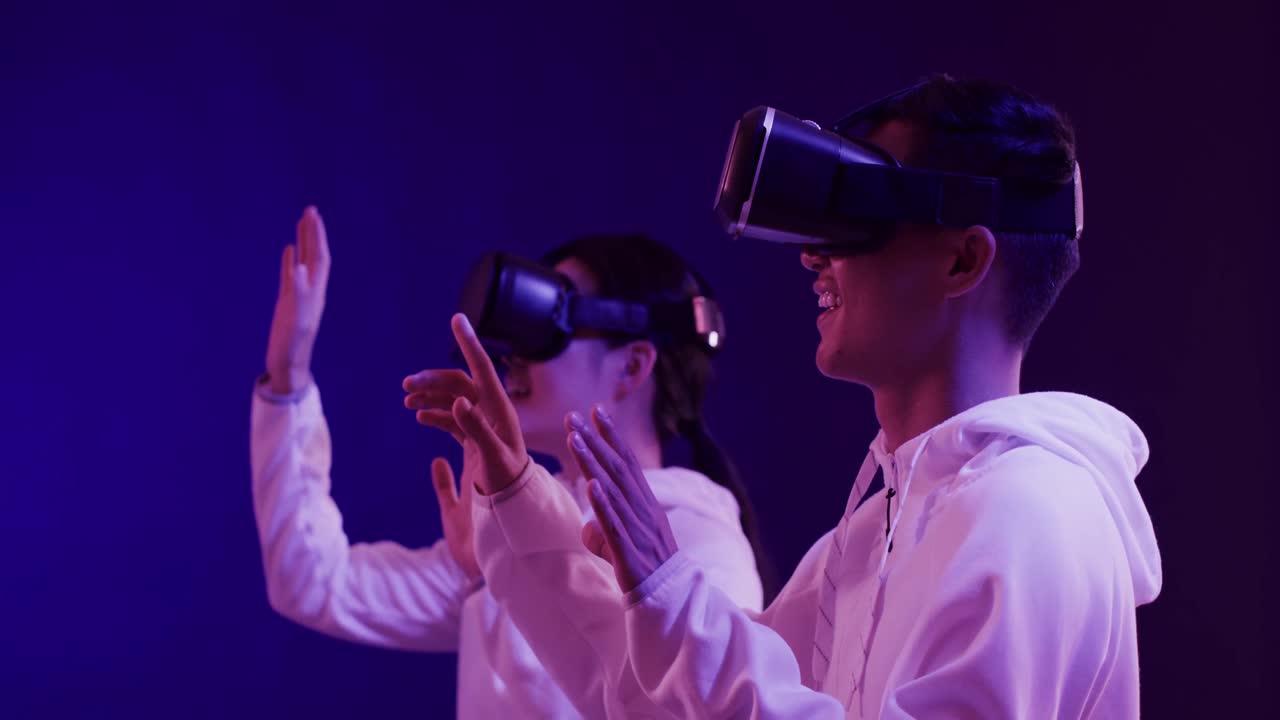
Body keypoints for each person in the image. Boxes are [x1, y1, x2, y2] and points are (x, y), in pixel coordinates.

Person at [423, 75, 1163, 718]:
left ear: (963, 259)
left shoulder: (1031, 514)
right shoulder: (875, 532)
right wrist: (518, 496)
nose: (814, 255)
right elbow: (658, 698)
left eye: (857, 221)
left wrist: (671, 588)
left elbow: (707, 677)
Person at [249, 209, 765, 718]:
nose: (515, 354)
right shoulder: (512, 529)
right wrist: (287, 383)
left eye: (548, 325)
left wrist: (495, 567)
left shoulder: (696, 541)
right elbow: (312, 580)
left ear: (631, 365)